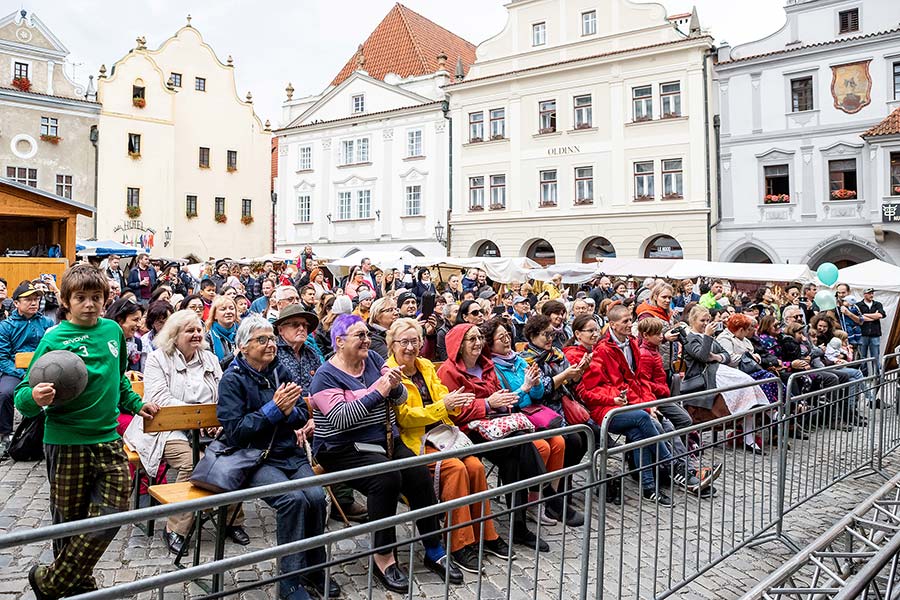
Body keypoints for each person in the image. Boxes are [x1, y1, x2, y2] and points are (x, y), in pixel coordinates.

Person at [14, 264, 159, 599]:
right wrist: (36, 397)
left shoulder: (112, 332)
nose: (89, 304)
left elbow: (118, 378)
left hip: (108, 441)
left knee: (114, 511)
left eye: (96, 297)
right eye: (81, 298)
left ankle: (49, 582)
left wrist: (136, 404)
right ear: (66, 301)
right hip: (66, 443)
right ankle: (78, 588)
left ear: (106, 299)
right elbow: (23, 397)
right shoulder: (53, 339)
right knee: (69, 524)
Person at [310, 314, 462, 592]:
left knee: (418, 471)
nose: (367, 340)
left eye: (368, 334)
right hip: (340, 446)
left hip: (383, 440)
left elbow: (401, 397)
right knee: (386, 478)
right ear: (339, 341)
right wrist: (378, 391)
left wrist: (394, 388)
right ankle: (384, 556)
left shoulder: (374, 362)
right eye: (360, 335)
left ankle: (434, 548)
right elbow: (342, 419)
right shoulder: (325, 376)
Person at [217, 315, 338, 600]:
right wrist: (274, 410)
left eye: (271, 338)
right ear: (243, 347)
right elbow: (235, 432)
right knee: (292, 500)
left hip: (287, 452)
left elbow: (299, 414)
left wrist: (283, 411)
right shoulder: (232, 379)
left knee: (316, 497)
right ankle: (289, 581)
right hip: (253, 458)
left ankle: (314, 568)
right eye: (262, 339)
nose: (270, 344)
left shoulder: (278, 371)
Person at [387, 318, 513, 572]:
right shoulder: (390, 373)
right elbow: (405, 417)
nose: (411, 347)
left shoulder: (424, 366)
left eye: (416, 341)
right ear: (392, 345)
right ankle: (458, 543)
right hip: (416, 440)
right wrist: (442, 407)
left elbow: (441, 391)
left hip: (443, 433)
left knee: (476, 467)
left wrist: (451, 400)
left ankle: (485, 534)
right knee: (454, 469)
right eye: (405, 342)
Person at [123, 310, 247, 555]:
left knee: (232, 457)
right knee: (195, 463)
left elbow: (224, 394)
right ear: (174, 334)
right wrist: (201, 417)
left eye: (199, 330)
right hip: (164, 428)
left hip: (207, 429)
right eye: (190, 330)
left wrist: (217, 419)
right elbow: (160, 399)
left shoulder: (209, 359)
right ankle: (176, 528)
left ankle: (230, 519)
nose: (197, 334)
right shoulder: (159, 358)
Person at [437, 323, 556, 551]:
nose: (478, 343)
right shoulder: (449, 371)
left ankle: (520, 525)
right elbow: (455, 411)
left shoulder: (487, 366)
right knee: (519, 445)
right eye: (471, 339)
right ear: (459, 345)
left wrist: (521, 390)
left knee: (515, 458)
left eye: (479, 337)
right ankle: (541, 488)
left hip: (495, 427)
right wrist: (487, 403)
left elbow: (503, 399)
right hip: (466, 432)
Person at [571, 304, 675, 505]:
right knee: (646, 420)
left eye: (595, 330)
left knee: (640, 432)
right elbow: (587, 392)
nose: (595, 334)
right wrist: (616, 399)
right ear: (578, 334)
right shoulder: (583, 354)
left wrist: (643, 402)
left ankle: (649, 488)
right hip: (601, 411)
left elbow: (625, 382)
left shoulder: (616, 347)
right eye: (590, 331)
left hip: (619, 403)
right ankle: (671, 463)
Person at [504, 317, 588, 526]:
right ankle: (548, 499)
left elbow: (556, 385)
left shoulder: (557, 354)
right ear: (532, 336)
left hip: (554, 407)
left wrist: (578, 372)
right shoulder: (527, 358)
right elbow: (542, 392)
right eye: (546, 335)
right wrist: (563, 377)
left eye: (553, 334)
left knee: (586, 436)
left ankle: (559, 491)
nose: (551, 339)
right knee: (564, 441)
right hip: (539, 411)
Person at [682, 306, 770, 453]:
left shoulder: (707, 336)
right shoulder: (690, 338)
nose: (705, 323)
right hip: (704, 379)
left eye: (708, 320)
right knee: (746, 383)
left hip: (721, 373)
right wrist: (708, 337)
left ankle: (762, 420)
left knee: (749, 388)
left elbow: (725, 354)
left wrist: (717, 357)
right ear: (692, 320)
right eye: (702, 320)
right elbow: (702, 357)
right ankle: (770, 413)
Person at [0, 282, 56, 453]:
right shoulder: (6, 326)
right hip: (16, 372)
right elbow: (3, 357)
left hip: (44, 370)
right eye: (28, 300)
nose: (34, 303)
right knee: (5, 393)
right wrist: (22, 373)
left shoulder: (47, 322)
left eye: (36, 299)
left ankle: (49, 433)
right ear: (16, 303)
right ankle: (5, 435)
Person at [105, 297, 147, 374]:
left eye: (140, 320)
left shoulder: (137, 343)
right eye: (135, 320)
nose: (139, 324)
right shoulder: (104, 340)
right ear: (120, 319)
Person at [857, 288, 885, 372]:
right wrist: (874, 316)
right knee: (862, 357)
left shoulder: (878, 304)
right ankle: (864, 377)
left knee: (875, 357)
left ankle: (876, 377)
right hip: (863, 334)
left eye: (872, 293)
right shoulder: (858, 305)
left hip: (875, 334)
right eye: (869, 293)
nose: (871, 295)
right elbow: (859, 318)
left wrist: (865, 315)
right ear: (864, 294)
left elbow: (880, 315)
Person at [205, 296, 238, 365]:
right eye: (223, 309)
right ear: (215, 315)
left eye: (231, 308)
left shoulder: (242, 333)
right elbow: (211, 366)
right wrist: (233, 355)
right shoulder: (208, 338)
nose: (228, 312)